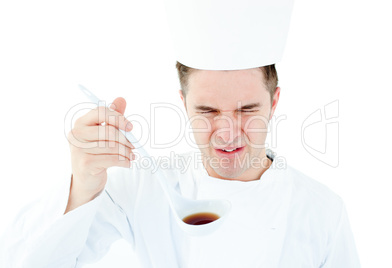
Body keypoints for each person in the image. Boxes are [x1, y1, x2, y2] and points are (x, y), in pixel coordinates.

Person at [0, 0, 361, 267]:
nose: (227, 132)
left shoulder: (322, 211)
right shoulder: (140, 188)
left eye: (247, 109)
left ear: (275, 101)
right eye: (207, 111)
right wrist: (82, 185)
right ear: (183, 103)